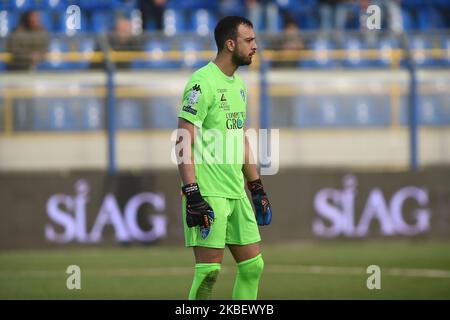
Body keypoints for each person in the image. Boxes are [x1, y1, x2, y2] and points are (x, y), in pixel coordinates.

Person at [175, 16, 272, 300]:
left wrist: (256, 187)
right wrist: (191, 192)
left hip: (236, 192)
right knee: (208, 273)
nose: (255, 46)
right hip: (208, 192)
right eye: (249, 40)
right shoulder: (201, 83)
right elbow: (183, 139)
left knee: (253, 266)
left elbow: (240, 138)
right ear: (230, 44)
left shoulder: (238, 87)